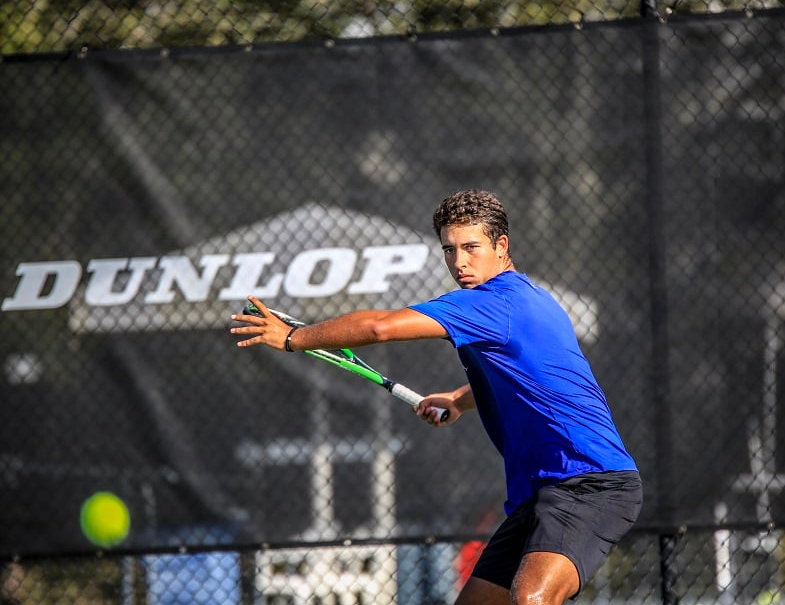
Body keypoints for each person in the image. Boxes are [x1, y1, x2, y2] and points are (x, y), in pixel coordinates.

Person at [231, 189, 642, 605]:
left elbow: (379, 327)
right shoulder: (532, 300)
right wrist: (460, 400)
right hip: (542, 493)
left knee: (532, 599)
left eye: (471, 248)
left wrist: (294, 338)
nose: (459, 262)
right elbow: (531, 379)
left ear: (501, 246)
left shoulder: (493, 303)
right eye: (449, 249)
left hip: (590, 483)